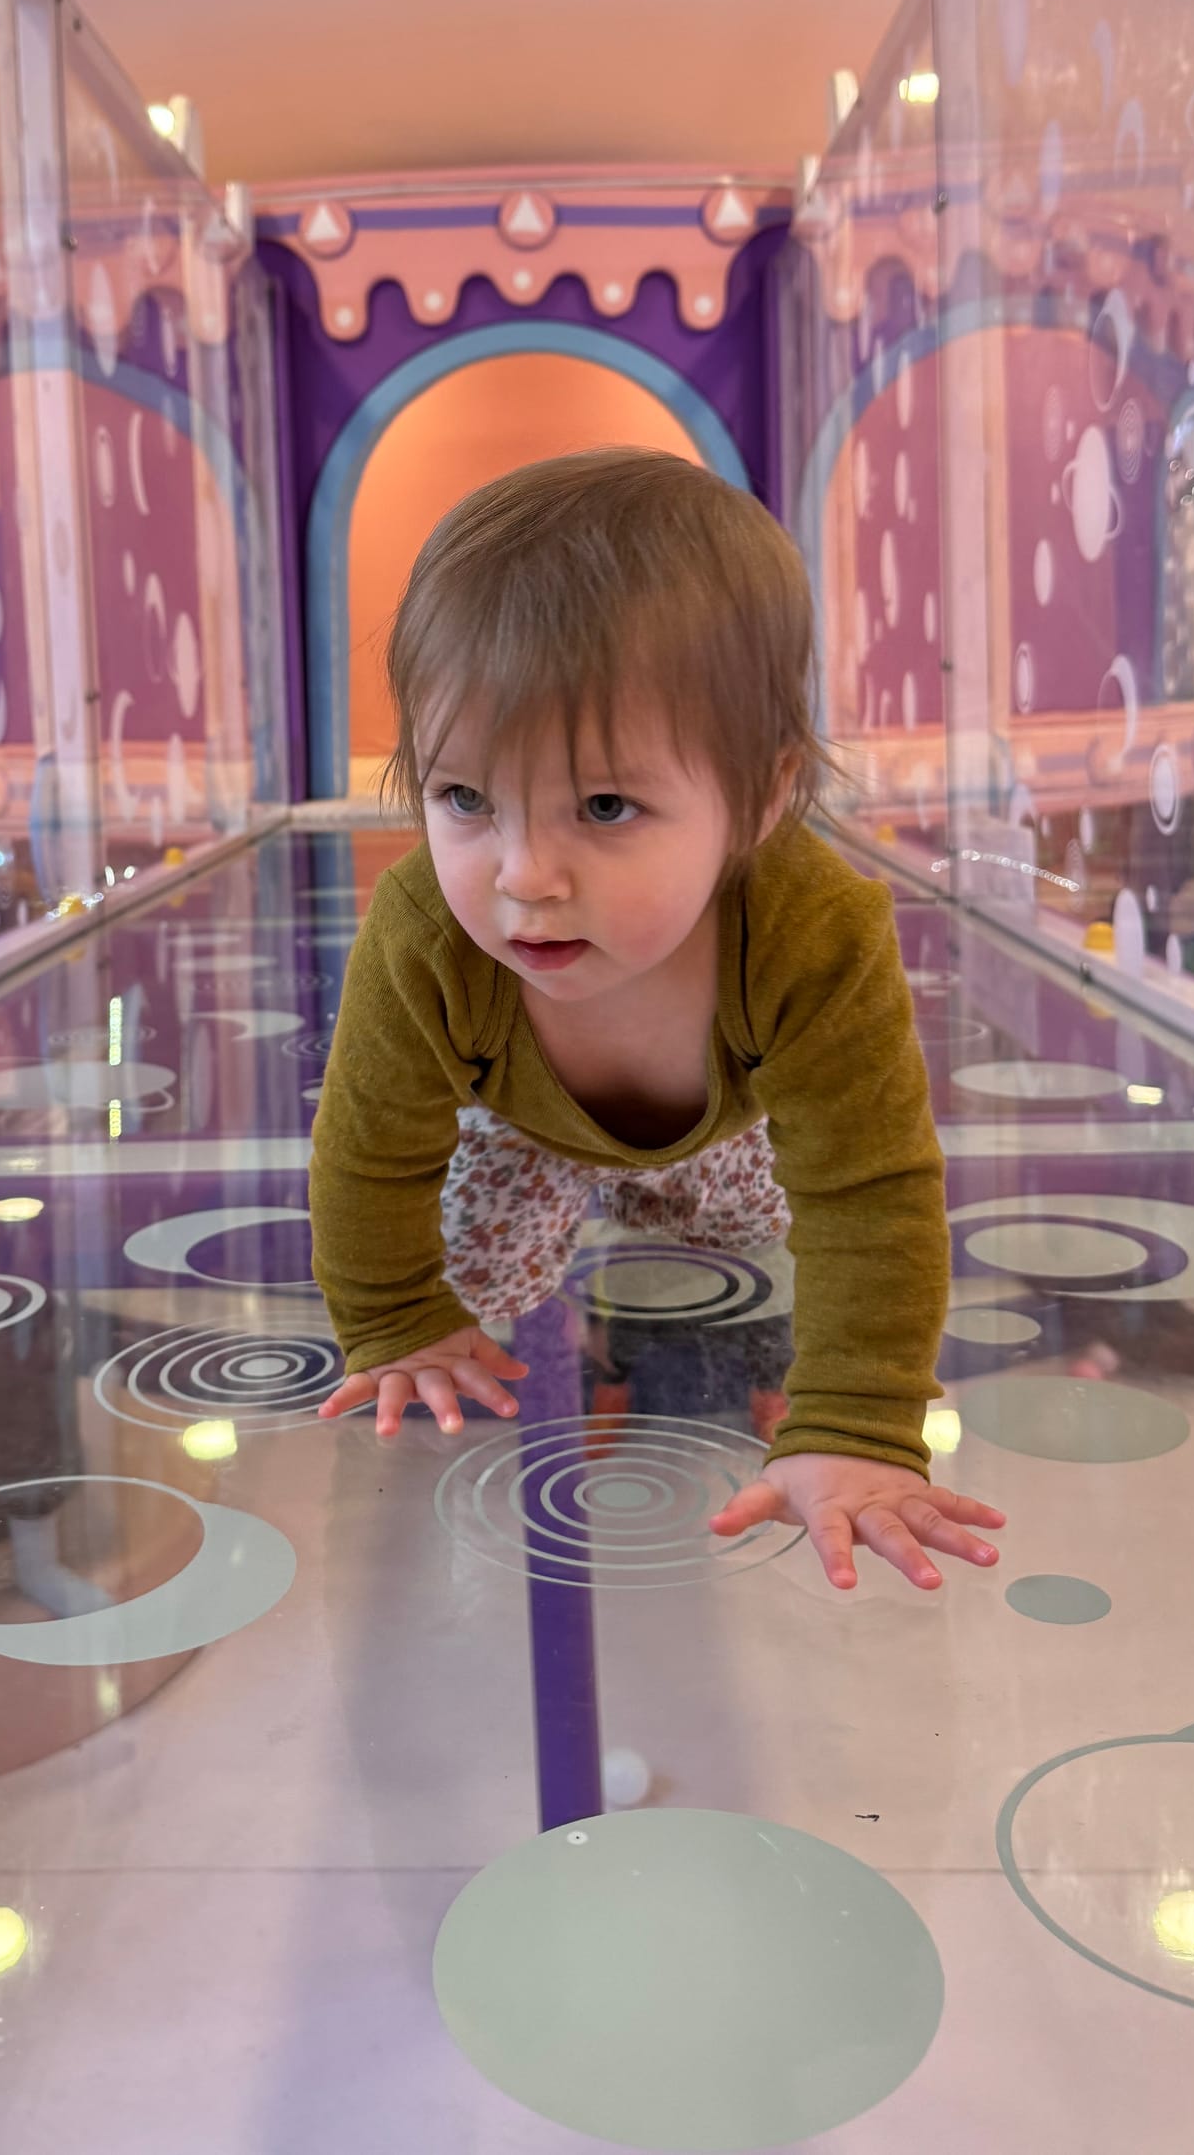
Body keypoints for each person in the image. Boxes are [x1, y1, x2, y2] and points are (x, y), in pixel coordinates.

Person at [310, 447, 1005, 1596]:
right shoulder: (423, 931)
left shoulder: (815, 928)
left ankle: (699, 1355)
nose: (523, 876)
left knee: (752, 1258)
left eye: (604, 805)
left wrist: (856, 1417)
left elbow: (867, 1189)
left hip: (727, 1133)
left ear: (764, 794)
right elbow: (368, 1150)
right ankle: (579, 1350)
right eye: (465, 798)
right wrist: (394, 1320)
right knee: (475, 1273)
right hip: (514, 1132)